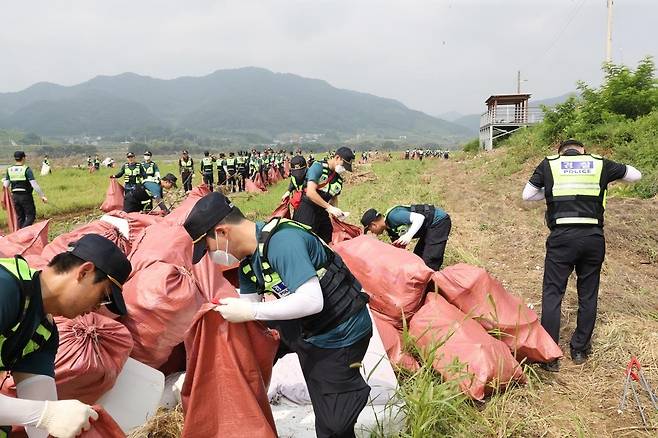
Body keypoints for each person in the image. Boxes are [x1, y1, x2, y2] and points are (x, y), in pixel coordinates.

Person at [183, 193, 372, 438]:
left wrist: (250, 310)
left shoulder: (284, 242)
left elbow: (311, 300)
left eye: (207, 249)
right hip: (303, 323)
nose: (211, 257)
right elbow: (251, 315)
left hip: (338, 332)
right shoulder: (249, 264)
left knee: (334, 427)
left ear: (221, 232)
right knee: (247, 342)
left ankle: (347, 389)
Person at [522, 139, 642, 371]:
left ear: (561, 151)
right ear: (583, 151)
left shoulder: (550, 164)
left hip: (562, 238)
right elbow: (635, 175)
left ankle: (550, 356)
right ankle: (579, 349)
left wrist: (551, 190)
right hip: (593, 238)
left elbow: (527, 195)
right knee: (588, 293)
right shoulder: (599, 164)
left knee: (553, 292)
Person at [0, 234, 132, 438]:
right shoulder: (6, 289)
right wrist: (46, 415)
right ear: (85, 272)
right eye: (104, 297)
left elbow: (40, 427)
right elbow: (44, 415)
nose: (96, 308)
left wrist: (52, 418)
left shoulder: (43, 333)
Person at [361, 203, 451, 271]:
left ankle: (431, 289)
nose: (373, 233)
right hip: (427, 228)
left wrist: (408, 236)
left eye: (370, 230)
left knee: (429, 262)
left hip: (438, 222)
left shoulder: (394, 216)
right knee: (417, 258)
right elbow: (399, 251)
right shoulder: (390, 230)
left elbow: (419, 218)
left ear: (373, 225)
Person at [293, 147, 354, 243]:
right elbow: (310, 192)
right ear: (337, 158)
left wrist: (337, 212)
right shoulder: (318, 167)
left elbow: (334, 198)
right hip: (307, 209)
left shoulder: (338, 180)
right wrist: (329, 207)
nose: (344, 169)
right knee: (305, 240)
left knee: (326, 237)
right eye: (344, 165)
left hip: (322, 212)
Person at [2, 151, 48, 229]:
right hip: (25, 196)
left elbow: (5, 185)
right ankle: (22, 233)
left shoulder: (9, 170)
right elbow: (34, 184)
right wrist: (42, 196)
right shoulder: (26, 169)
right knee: (31, 216)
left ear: (15, 159)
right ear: (23, 158)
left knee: (20, 217)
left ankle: (20, 237)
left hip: (15, 197)